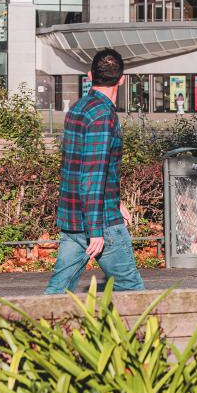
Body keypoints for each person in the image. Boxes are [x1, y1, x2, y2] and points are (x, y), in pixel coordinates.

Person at [44, 47, 146, 294]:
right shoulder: (103, 116)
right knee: (133, 291)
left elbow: (83, 166)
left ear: (89, 76)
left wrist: (116, 200)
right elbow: (92, 175)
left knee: (58, 292)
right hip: (100, 223)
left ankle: (33, 330)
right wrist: (95, 231)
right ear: (122, 79)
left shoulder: (78, 108)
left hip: (73, 219)